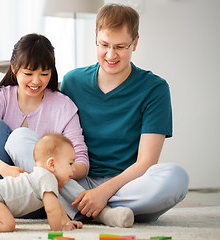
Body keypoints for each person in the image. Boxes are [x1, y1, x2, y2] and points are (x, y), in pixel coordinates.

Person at [57, 3, 189, 223]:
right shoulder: (72, 81)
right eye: (104, 44)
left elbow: (146, 162)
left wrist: (103, 192)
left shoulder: (155, 88)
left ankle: (88, 207)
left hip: (127, 186)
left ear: (135, 43)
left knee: (177, 177)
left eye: (120, 46)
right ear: (95, 38)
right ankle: (106, 214)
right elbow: (57, 141)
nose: (110, 54)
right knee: (23, 141)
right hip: (79, 179)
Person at [0, 33, 89, 215]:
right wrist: (5, 169)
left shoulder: (63, 106)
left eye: (44, 74)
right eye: (28, 73)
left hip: (34, 196)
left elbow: (82, 162)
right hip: (1, 183)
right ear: (14, 68)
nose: (36, 81)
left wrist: (56, 171)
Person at [0, 133, 83, 232]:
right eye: (70, 163)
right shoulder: (48, 178)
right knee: (7, 224)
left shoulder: (40, 177)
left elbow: (56, 204)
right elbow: (52, 209)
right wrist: (58, 230)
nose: (74, 168)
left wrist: (67, 222)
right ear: (52, 164)